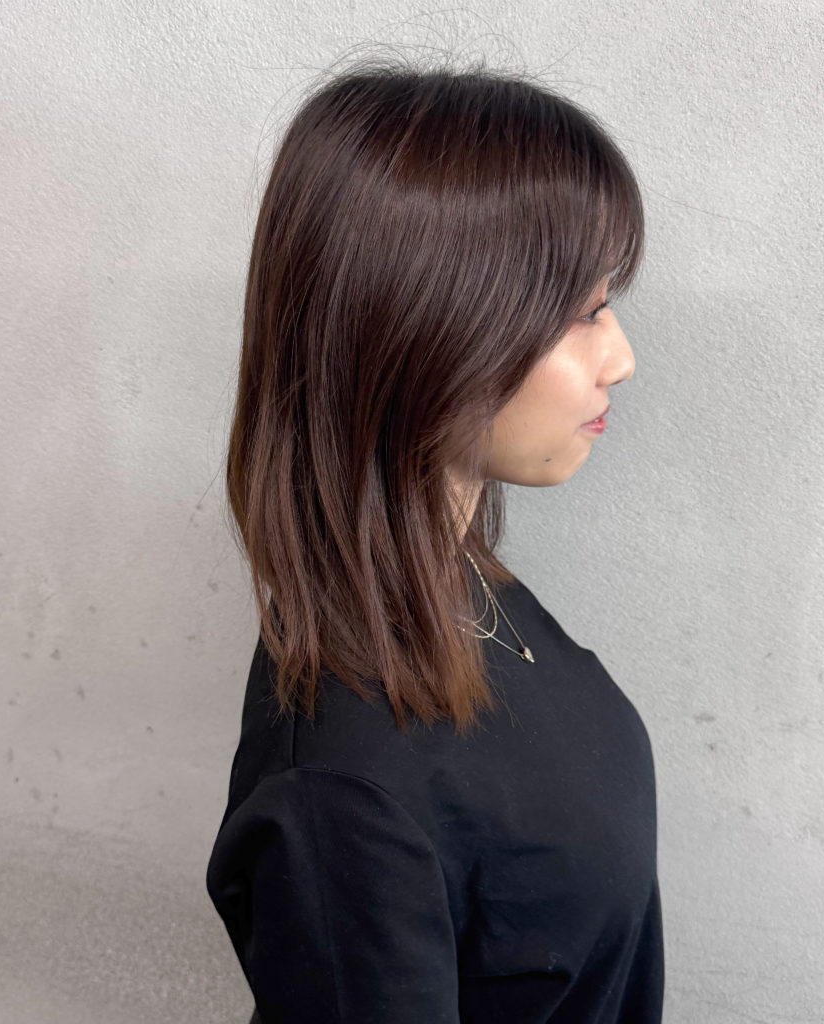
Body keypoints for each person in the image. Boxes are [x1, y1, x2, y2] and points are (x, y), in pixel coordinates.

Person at [205, 57, 662, 1024]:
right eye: (582, 313)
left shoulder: (455, 584)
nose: (620, 358)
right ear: (428, 327)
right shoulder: (345, 798)